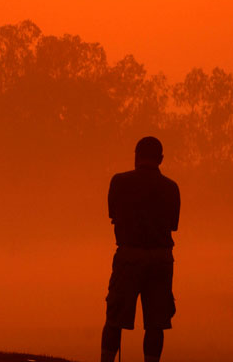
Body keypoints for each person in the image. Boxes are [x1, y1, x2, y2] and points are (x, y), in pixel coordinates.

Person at [101, 136, 180, 362]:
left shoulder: (119, 182)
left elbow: (114, 216)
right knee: (156, 323)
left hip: (129, 255)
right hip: (161, 258)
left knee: (114, 319)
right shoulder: (171, 188)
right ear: (161, 159)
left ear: (136, 155)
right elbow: (172, 225)